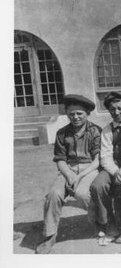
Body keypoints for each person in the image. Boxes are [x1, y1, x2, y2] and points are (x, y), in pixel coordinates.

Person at [36, 95, 101, 254]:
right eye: (71, 114)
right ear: (67, 114)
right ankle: (50, 235)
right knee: (53, 194)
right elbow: (60, 160)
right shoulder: (61, 133)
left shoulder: (95, 131)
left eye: (79, 113)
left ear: (87, 113)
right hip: (68, 168)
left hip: (89, 169)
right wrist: (69, 175)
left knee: (83, 194)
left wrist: (78, 177)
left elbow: (97, 161)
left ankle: (99, 223)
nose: (75, 117)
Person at [89, 92, 121, 246]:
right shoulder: (107, 130)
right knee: (97, 185)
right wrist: (115, 171)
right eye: (112, 110)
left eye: (120, 108)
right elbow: (106, 156)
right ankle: (110, 223)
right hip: (113, 167)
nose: (116, 112)